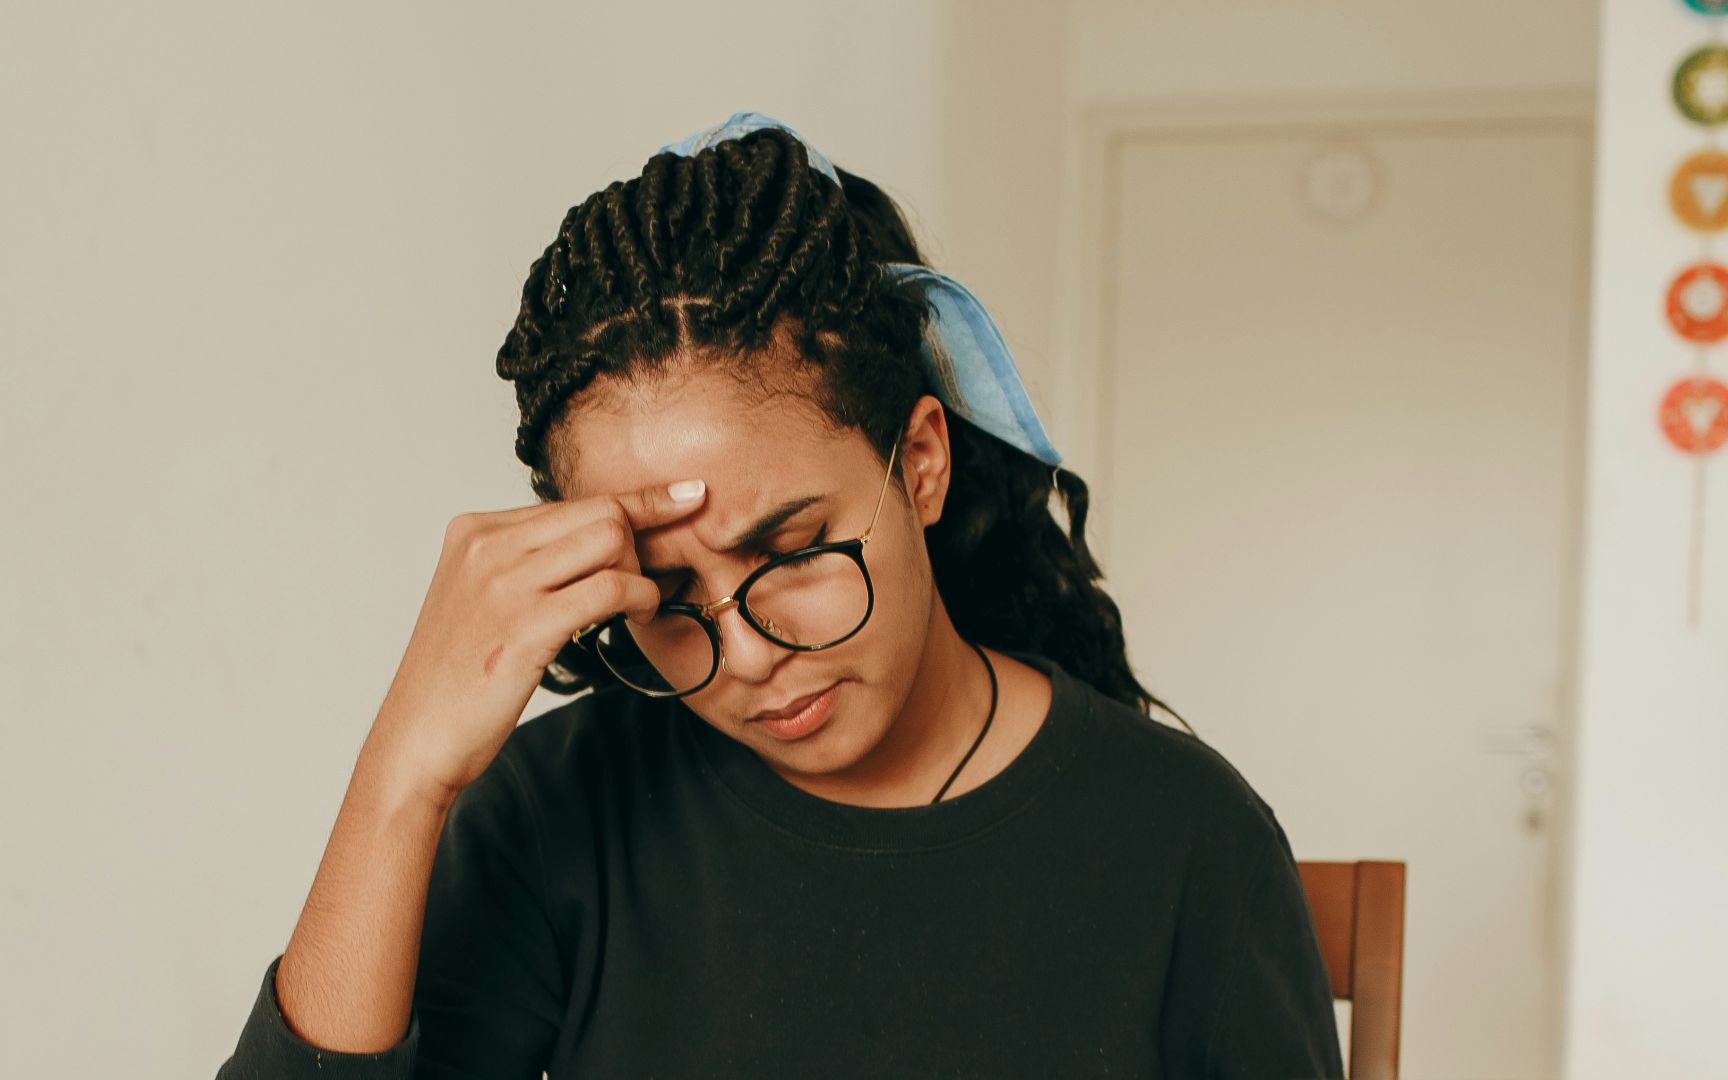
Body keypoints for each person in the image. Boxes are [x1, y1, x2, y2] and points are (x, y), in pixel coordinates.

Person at [215, 113, 1344, 1079]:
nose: (746, 653)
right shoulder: (558, 817)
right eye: (668, 593)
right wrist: (402, 774)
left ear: (922, 462)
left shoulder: (1185, 841)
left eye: (793, 552)